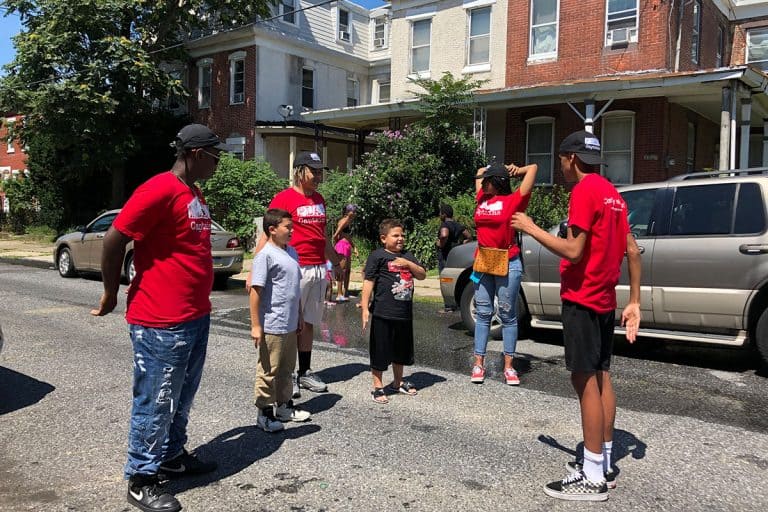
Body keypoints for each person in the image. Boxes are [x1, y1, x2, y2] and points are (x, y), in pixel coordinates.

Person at [91, 124, 225, 512]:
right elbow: (115, 238)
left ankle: (170, 455)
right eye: (215, 156)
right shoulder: (159, 189)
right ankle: (142, 477)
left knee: (181, 397)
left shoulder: (192, 193)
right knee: (156, 400)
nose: (218, 164)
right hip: (160, 321)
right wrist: (111, 291)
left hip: (195, 316)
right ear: (197, 154)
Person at [511, 130, 641, 501]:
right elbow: (632, 250)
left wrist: (531, 227)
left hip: (583, 299)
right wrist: (634, 300)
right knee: (601, 378)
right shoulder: (613, 194)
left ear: (570, 158)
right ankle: (603, 460)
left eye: (561, 159)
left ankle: (594, 475)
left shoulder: (583, 192)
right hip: (604, 299)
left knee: (584, 382)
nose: (561, 166)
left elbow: (572, 250)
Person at [252, 151, 343, 397]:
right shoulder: (284, 198)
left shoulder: (320, 199)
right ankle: (286, 375)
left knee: (310, 322)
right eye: (314, 171)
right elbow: (267, 234)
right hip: (294, 267)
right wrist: (255, 271)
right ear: (300, 172)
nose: (318, 176)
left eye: (320, 171)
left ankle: (304, 372)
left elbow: (321, 236)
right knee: (291, 323)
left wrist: (335, 262)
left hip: (317, 268)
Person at [470, 161, 538, 386]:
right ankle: (478, 363)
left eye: (489, 180)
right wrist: (489, 169)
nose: (484, 182)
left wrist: (517, 170)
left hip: (508, 261)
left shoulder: (514, 201)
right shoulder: (482, 198)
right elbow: (478, 173)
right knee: (483, 313)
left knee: (507, 315)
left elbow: (534, 169)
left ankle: (509, 366)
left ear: (497, 183)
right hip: (483, 261)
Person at [249, 209, 312, 433]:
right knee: (268, 370)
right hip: (272, 323)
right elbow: (255, 292)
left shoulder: (291, 252)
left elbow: (294, 289)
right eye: (287, 227)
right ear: (272, 229)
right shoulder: (265, 255)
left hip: (290, 323)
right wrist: (256, 325)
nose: (292, 230)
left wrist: (300, 316)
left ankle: (284, 406)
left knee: (287, 369)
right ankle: (264, 412)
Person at [361, 219, 426, 404]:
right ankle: (378, 386)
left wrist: (407, 263)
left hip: (403, 313)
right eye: (395, 235)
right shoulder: (378, 256)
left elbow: (421, 274)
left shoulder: (408, 255)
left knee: (401, 351)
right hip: (383, 312)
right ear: (383, 238)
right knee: (380, 350)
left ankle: (397, 383)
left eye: (402, 235)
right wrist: (365, 308)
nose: (400, 239)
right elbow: (368, 282)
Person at [436, 203, 471, 313]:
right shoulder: (458, 225)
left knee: (445, 280)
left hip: (445, 256)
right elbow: (469, 236)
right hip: (455, 255)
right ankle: (457, 304)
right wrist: (461, 244)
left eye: (440, 213)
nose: (439, 215)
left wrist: (440, 244)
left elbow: (444, 235)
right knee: (455, 279)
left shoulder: (444, 224)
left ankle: (448, 306)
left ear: (444, 214)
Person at [334, 227, 357, 302]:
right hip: (341, 249)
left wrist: (355, 249)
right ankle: (339, 294)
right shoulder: (339, 232)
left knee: (347, 271)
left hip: (347, 250)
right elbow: (334, 238)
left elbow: (352, 244)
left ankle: (346, 292)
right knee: (341, 271)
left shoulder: (348, 234)